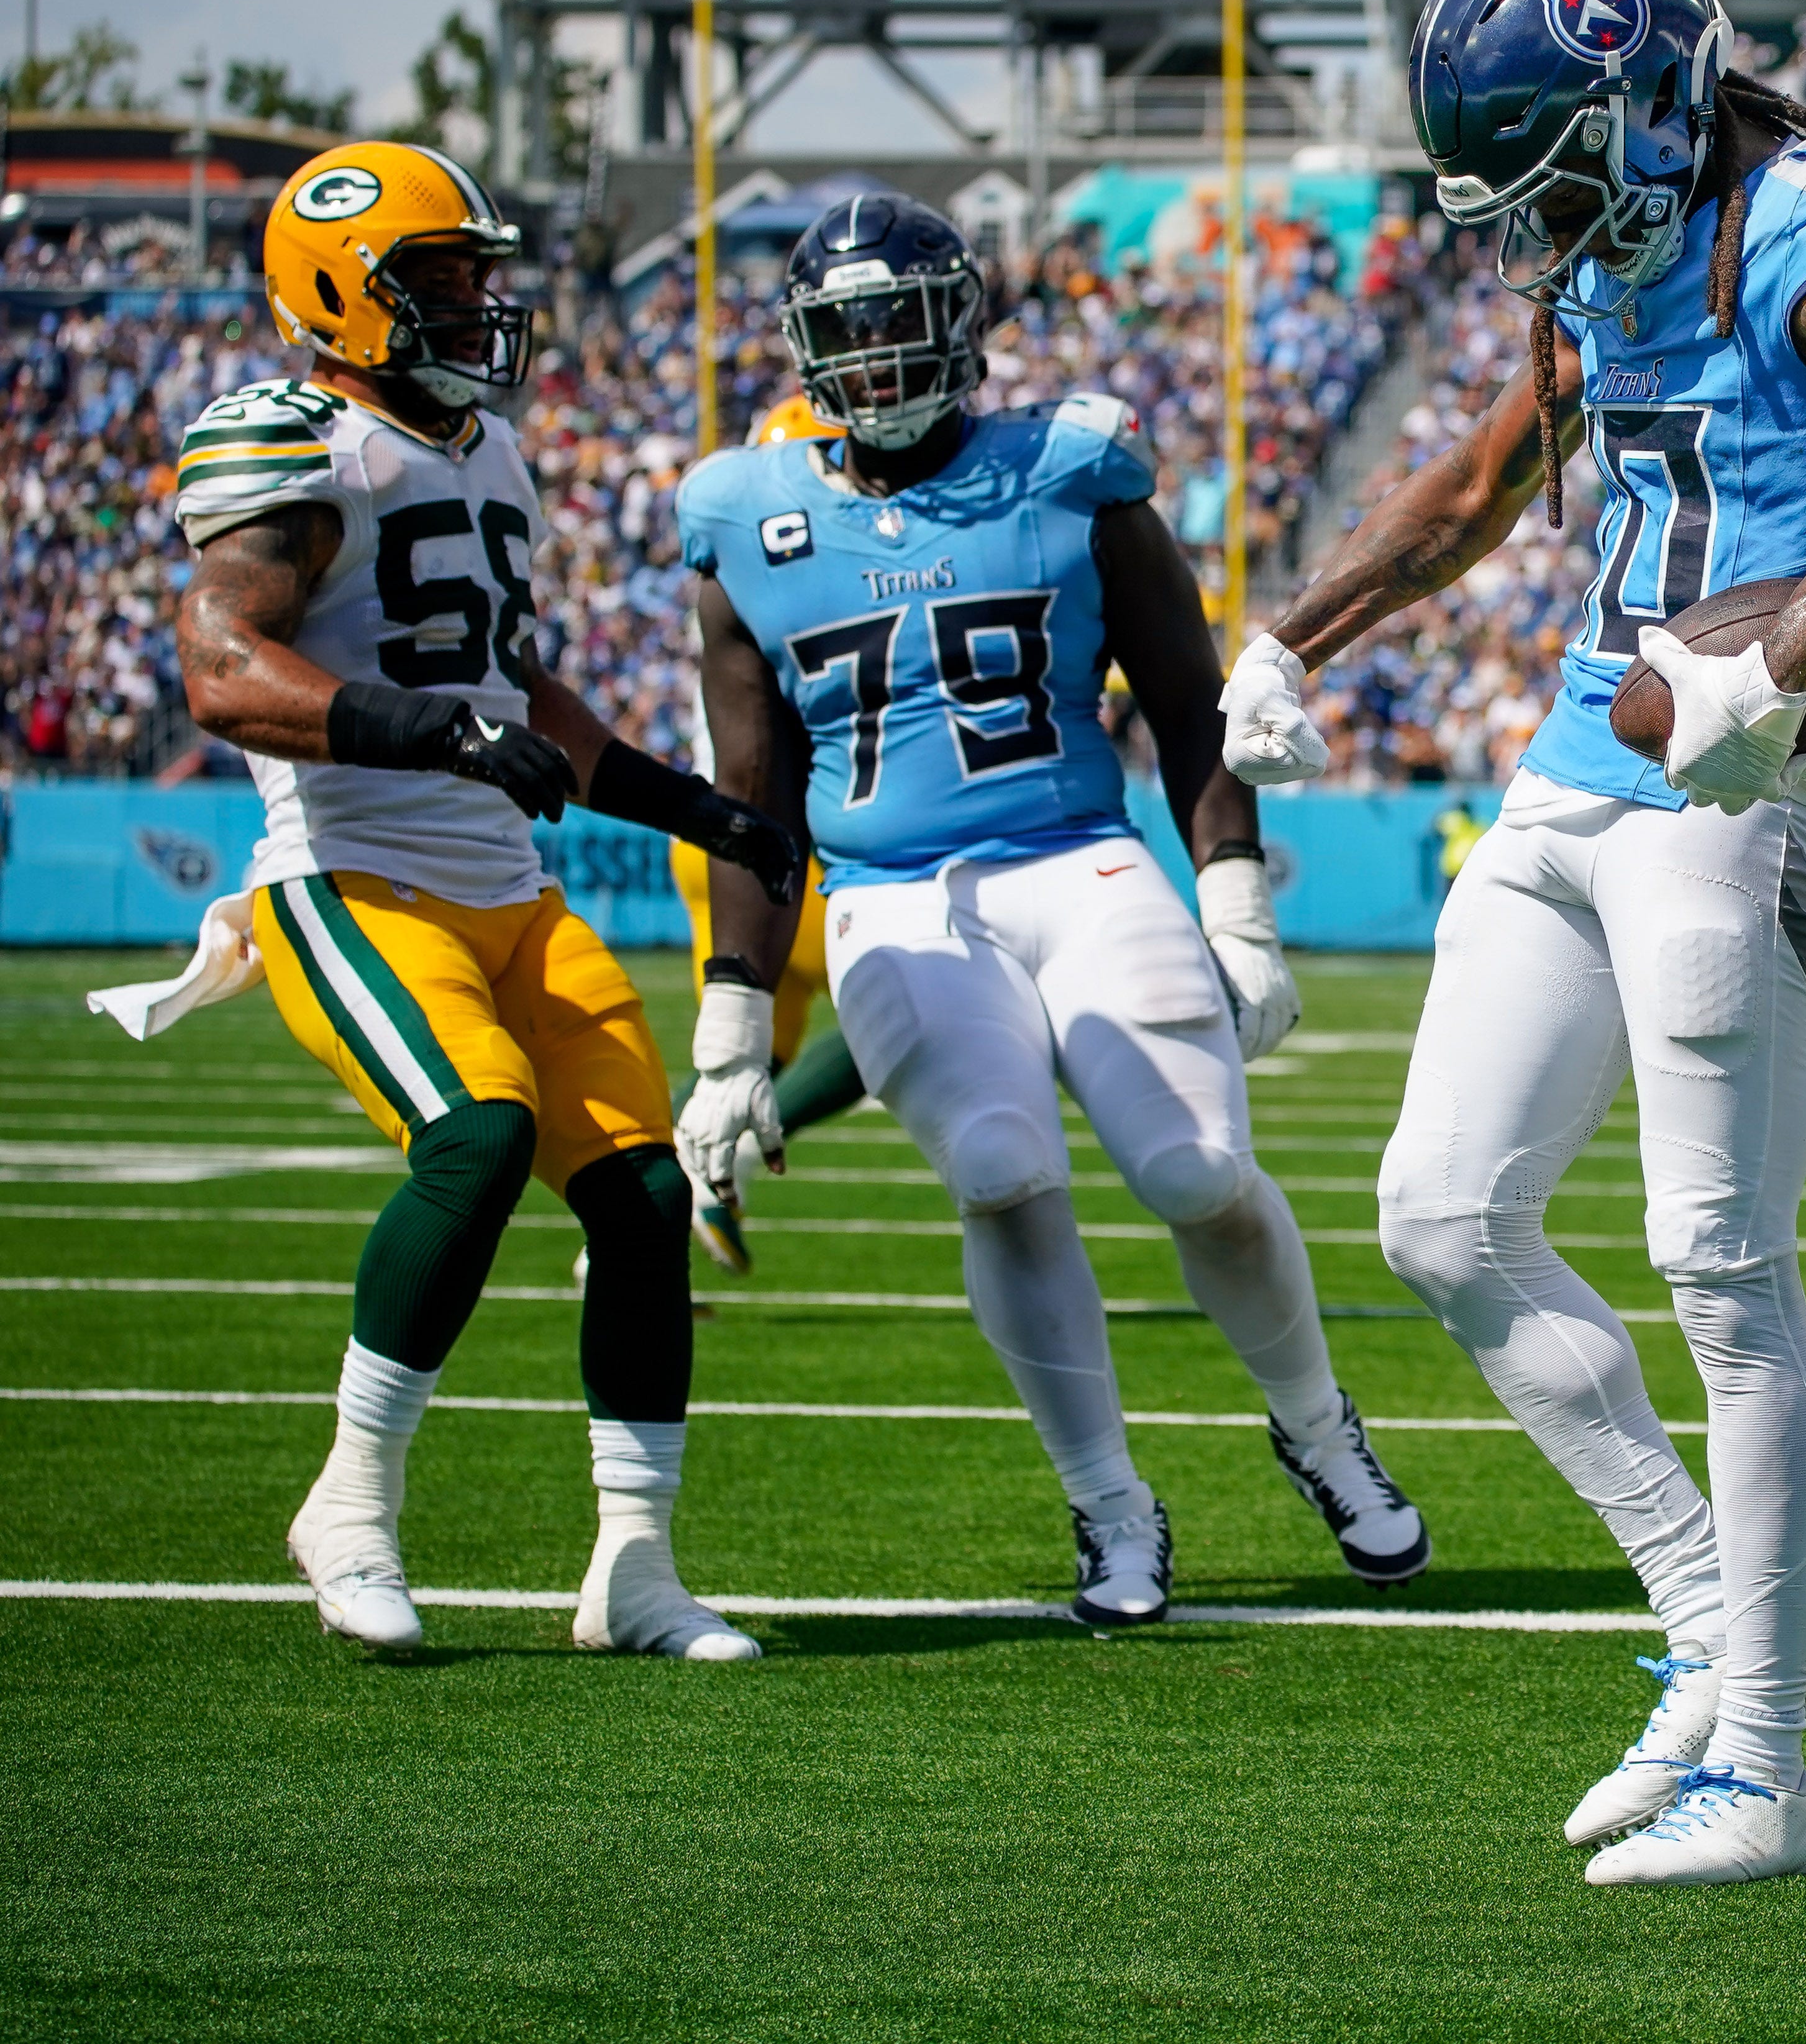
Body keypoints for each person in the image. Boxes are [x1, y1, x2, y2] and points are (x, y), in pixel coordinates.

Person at [1219, 0, 1806, 1886]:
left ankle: (1762, 1765)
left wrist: (1780, 661)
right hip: (1586, 756)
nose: (1541, 229)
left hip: (1756, 760)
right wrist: (1295, 635)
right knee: (1438, 1214)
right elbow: (1491, 478)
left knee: (1716, 1266)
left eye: (1561, 176)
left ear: (1657, 102)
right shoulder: (1605, 244)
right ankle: (1714, 1625)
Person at [677, 193, 1429, 1625]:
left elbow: (1184, 701)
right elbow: (754, 796)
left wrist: (1235, 901)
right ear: (804, 348)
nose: (883, 361)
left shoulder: (1067, 468)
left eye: (905, 324)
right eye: (852, 333)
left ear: (962, 323)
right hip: (892, 893)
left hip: (1079, 855)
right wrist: (728, 1030)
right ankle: (1107, 1501)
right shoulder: (744, 518)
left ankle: (1320, 1429)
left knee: (1198, 1168)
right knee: (1000, 1163)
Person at [158, 142, 803, 1658]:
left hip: (502, 882)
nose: (475, 306)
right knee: (479, 1130)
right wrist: (431, 732)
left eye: (476, 276)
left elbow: (512, 686)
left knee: (645, 1196)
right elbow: (222, 667)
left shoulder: (485, 451)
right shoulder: (290, 436)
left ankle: (633, 1567)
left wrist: (692, 801)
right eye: (434, 281)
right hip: (348, 874)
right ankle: (352, 1502)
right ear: (337, 296)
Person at [656, 393, 868, 1281]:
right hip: (793, 843)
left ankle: (636, 1223)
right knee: (896, 1025)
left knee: (746, 1055)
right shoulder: (819, 570)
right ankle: (717, 1176)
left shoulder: (738, 560)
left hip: (718, 837)